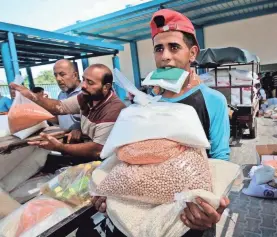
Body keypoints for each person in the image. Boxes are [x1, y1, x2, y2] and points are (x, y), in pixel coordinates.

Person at [79, 9, 230, 237]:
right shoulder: (145, 101)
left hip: (185, 215)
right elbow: (126, 154)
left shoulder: (212, 100)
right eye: (159, 48)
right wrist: (105, 189)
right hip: (138, 208)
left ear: (192, 53)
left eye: (174, 47)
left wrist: (213, 206)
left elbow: (220, 159)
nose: (165, 56)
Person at [10, 64, 126, 171]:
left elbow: (97, 150)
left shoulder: (113, 110)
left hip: (110, 163)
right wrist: (32, 97)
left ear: (106, 87)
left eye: (90, 82)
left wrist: (60, 147)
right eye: (84, 79)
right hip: (92, 153)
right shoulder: (86, 97)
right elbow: (60, 107)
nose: (83, 85)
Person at [54, 59, 82, 130]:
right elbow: (61, 120)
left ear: (75, 75)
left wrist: (80, 131)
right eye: (55, 75)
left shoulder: (86, 93)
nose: (58, 79)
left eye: (62, 74)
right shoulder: (61, 94)